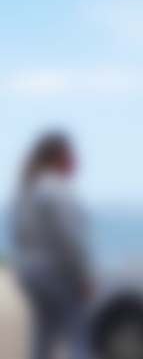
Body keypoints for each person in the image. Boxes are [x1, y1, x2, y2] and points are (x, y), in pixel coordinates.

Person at [10, 132, 91, 359]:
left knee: (44, 335)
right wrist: (83, 275)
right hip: (58, 273)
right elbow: (70, 239)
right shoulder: (57, 190)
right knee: (78, 335)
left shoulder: (28, 190)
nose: (77, 161)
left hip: (30, 274)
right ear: (60, 158)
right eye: (72, 156)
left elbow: (19, 236)